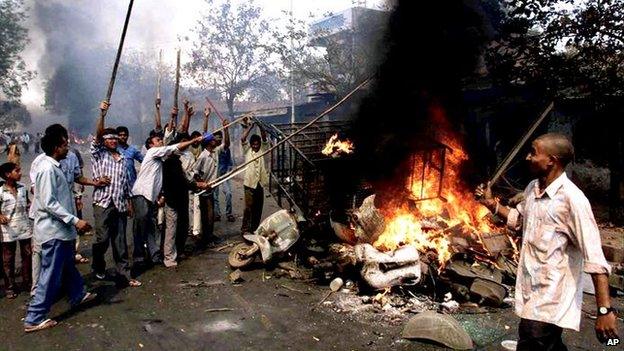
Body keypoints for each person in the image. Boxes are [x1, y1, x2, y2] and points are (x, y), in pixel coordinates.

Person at [476, 133, 619, 350]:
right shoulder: (533, 188)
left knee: (533, 342)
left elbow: (595, 259)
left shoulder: (573, 200)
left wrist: (604, 311)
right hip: (530, 289)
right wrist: (490, 204)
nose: (527, 157)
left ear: (552, 160)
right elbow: (520, 219)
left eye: (533, 153)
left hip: (551, 298)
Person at [24, 131, 96, 333]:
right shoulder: (47, 169)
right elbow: (48, 203)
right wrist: (75, 221)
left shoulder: (54, 167)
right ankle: (34, 317)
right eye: (65, 145)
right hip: (52, 230)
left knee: (67, 264)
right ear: (56, 147)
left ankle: (77, 293)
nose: (68, 148)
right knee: (50, 274)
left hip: (61, 231)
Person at [132, 117, 204, 267]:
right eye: (158, 140)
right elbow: (174, 145)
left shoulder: (165, 160)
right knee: (142, 227)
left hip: (152, 197)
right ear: (151, 145)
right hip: (142, 194)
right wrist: (193, 141)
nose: (161, 142)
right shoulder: (153, 152)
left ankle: (155, 256)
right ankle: (140, 257)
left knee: (152, 228)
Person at [91, 101, 140, 287]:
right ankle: (98, 265)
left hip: (119, 203)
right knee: (102, 239)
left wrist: (128, 203)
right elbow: (96, 138)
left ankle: (125, 275)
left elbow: (126, 184)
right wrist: (102, 114)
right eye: (108, 138)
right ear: (104, 141)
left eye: (114, 138)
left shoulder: (122, 159)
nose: (112, 140)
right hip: (102, 203)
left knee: (120, 241)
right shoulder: (99, 154)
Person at [194, 117, 229, 248]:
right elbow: (195, 173)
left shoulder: (215, 152)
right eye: (214, 140)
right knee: (207, 214)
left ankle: (209, 235)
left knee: (211, 213)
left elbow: (227, 145)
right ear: (209, 143)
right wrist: (202, 183)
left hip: (212, 188)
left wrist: (226, 129)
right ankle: (206, 238)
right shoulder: (203, 156)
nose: (216, 141)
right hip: (204, 190)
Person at [0, 162, 32, 299]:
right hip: (8, 230)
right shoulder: (1, 191)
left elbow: (28, 203)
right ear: (8, 174)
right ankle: (10, 286)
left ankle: (27, 282)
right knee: (8, 259)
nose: (20, 173)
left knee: (28, 255)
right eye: (16, 171)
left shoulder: (23, 188)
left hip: (24, 227)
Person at [240, 121, 269, 235]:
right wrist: (251, 127)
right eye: (254, 144)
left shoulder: (263, 150)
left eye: (257, 144)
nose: (256, 146)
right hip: (249, 184)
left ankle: (254, 228)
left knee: (258, 208)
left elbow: (265, 138)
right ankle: (245, 229)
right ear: (251, 144)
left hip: (260, 184)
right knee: (248, 208)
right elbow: (243, 138)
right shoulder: (247, 150)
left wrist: (260, 126)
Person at [211, 108, 235, 223]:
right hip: (215, 176)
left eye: (220, 137)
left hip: (224, 175)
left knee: (229, 194)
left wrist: (226, 129)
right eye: (216, 138)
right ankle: (217, 214)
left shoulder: (224, 148)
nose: (219, 139)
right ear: (213, 140)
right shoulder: (213, 150)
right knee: (214, 197)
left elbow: (227, 144)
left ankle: (229, 213)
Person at [116, 126, 143, 190]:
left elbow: (144, 160)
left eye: (124, 135)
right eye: (120, 135)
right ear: (116, 136)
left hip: (131, 183)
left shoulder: (133, 150)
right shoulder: (113, 149)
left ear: (127, 136)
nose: (122, 137)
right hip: (118, 183)